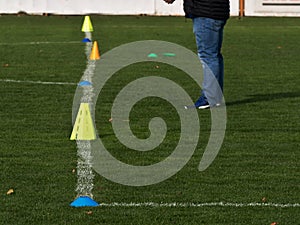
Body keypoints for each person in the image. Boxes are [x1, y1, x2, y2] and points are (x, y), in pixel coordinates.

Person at [164, 0, 230, 109]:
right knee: (214, 56)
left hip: (205, 12)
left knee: (208, 56)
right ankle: (215, 97)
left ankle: (209, 98)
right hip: (217, 11)